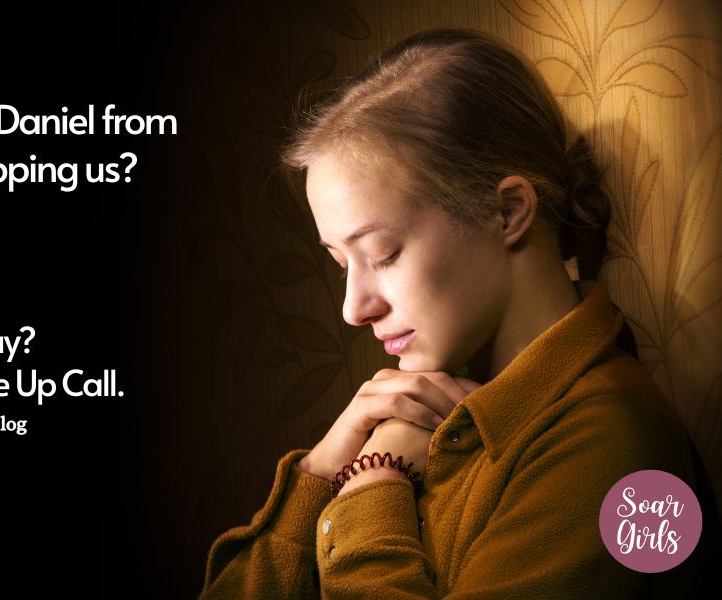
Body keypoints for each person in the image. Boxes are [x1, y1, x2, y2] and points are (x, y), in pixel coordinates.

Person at [199, 28, 712, 599]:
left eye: (383, 254)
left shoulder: (617, 455)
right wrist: (319, 474)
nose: (353, 309)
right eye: (341, 262)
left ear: (507, 211)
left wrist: (374, 484)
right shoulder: (422, 419)